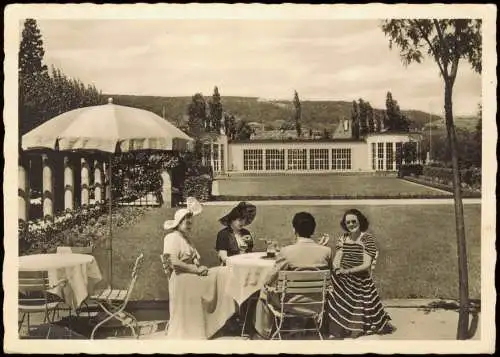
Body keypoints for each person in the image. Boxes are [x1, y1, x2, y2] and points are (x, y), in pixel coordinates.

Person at [163, 198, 237, 340]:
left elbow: (195, 259)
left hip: (191, 274)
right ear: (178, 223)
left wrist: (198, 265)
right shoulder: (171, 238)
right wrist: (196, 269)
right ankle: (212, 323)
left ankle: (221, 319)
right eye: (186, 222)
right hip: (181, 278)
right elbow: (174, 263)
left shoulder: (186, 238)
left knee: (225, 272)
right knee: (219, 277)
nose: (189, 224)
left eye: (191, 222)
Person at [253, 212, 333, 339]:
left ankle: (263, 333)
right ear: (313, 230)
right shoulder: (326, 251)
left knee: (264, 290)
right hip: (317, 304)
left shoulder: (286, 252)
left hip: (291, 305)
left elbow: (269, 279)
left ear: (294, 230)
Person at [325, 209, 393, 339]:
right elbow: (337, 258)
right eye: (348, 222)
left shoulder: (367, 238)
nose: (351, 224)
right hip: (343, 275)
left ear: (360, 222)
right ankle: (331, 322)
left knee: (334, 288)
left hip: (360, 278)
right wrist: (337, 268)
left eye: (354, 221)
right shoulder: (343, 238)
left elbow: (366, 265)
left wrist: (347, 271)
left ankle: (341, 326)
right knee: (327, 284)